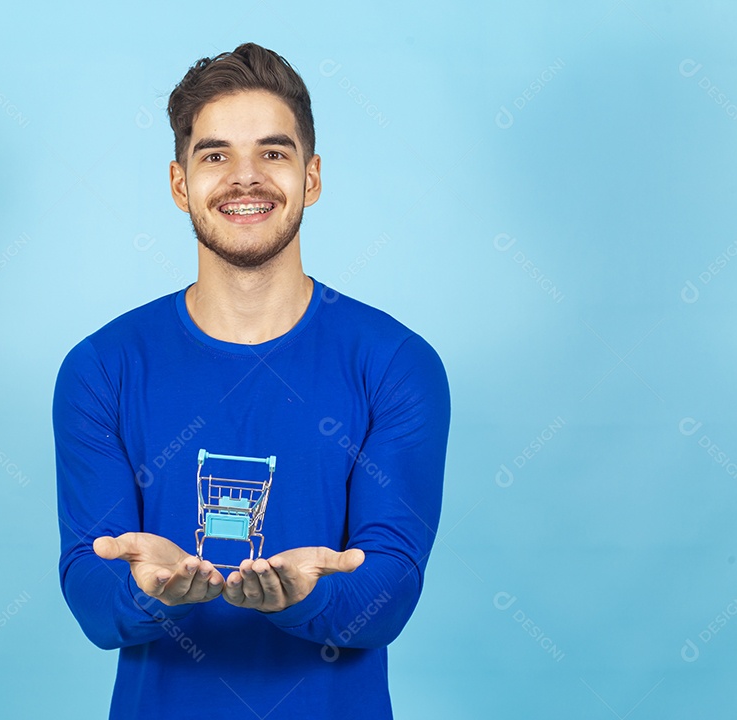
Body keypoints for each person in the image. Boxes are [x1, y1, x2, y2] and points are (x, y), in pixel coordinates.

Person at [53, 42, 450, 719]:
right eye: (215, 156)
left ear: (312, 177)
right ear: (180, 184)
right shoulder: (102, 369)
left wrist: (310, 595)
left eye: (273, 152)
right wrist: (144, 590)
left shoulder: (396, 364)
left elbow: (389, 588)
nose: (246, 179)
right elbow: (92, 590)